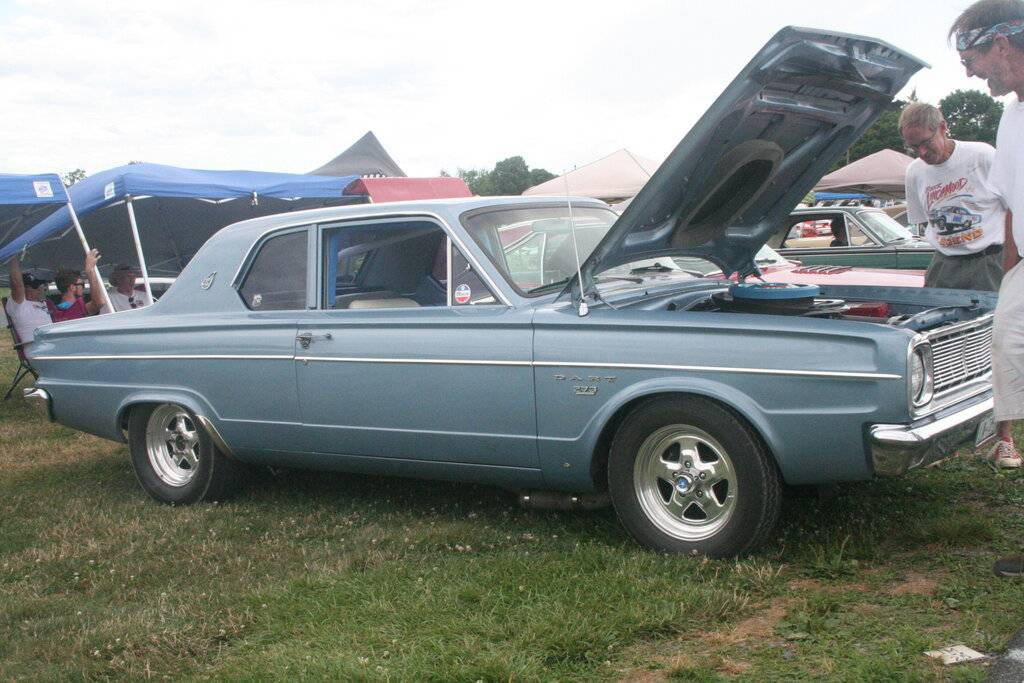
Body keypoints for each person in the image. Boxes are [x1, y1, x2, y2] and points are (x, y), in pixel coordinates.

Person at [951, 0, 1024, 576]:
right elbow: (1011, 205)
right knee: (1011, 367)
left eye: (970, 60)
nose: (972, 74)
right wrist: (1011, 271)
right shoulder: (1011, 116)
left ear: (1001, 43)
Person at [901, 102, 1005, 291]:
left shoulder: (982, 155)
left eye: (926, 143)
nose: (922, 152)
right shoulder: (914, 172)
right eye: (914, 147)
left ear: (942, 127)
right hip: (944, 264)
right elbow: (924, 222)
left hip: (989, 261)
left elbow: (1014, 207)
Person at [4, 258, 52, 346]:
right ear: (25, 289)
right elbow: (17, 284)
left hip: (54, 344)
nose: (40, 289)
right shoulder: (19, 305)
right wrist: (13, 258)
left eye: (40, 285)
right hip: (38, 349)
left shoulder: (43, 303)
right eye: (36, 286)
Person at [47, 248, 105, 323]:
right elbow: (98, 303)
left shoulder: (51, 312)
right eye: (82, 285)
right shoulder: (77, 308)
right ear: (72, 287)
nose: (83, 288)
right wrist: (90, 270)